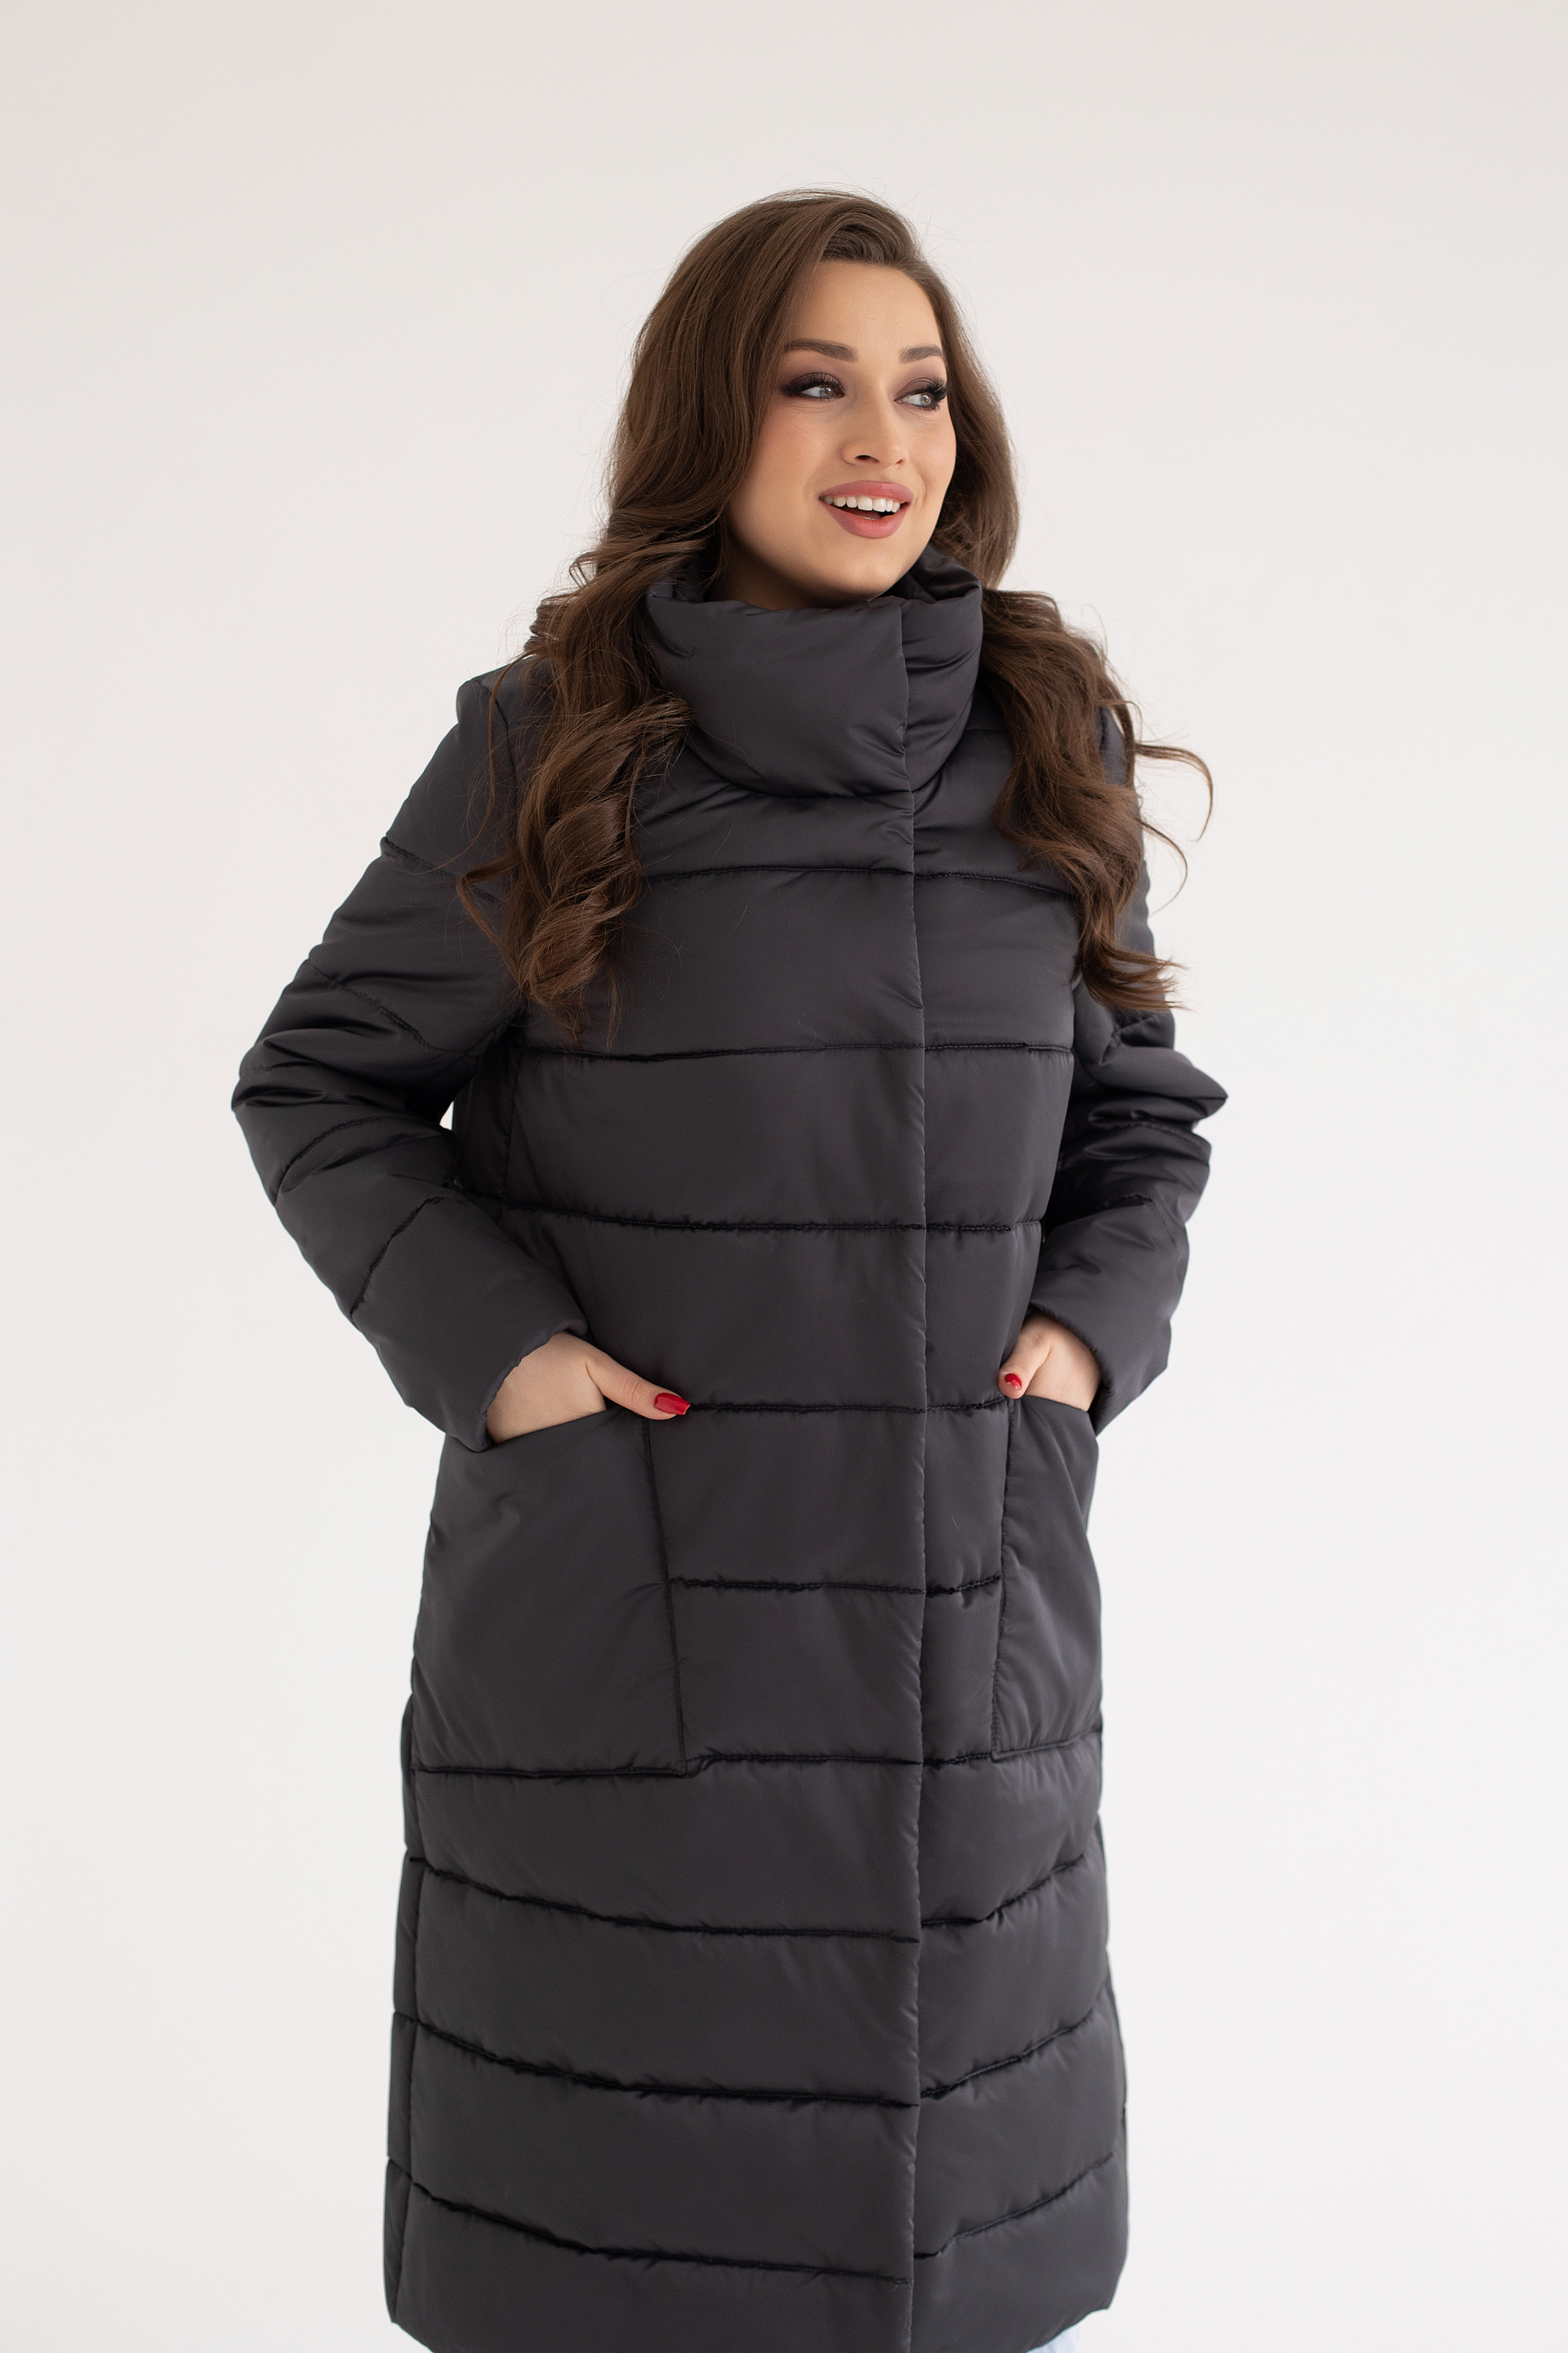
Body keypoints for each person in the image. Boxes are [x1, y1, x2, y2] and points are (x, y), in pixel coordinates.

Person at [234, 188, 1223, 2353]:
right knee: (629, 2247)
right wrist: (506, 1360)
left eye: (923, 389)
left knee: (955, 2248)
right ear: (712, 416)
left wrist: (1080, 1344)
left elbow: (1142, 1119)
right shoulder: (552, 741)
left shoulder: (1041, 741)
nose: (883, 437)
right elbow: (318, 1083)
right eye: (814, 381)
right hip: (634, 1632)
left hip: (967, 1620)